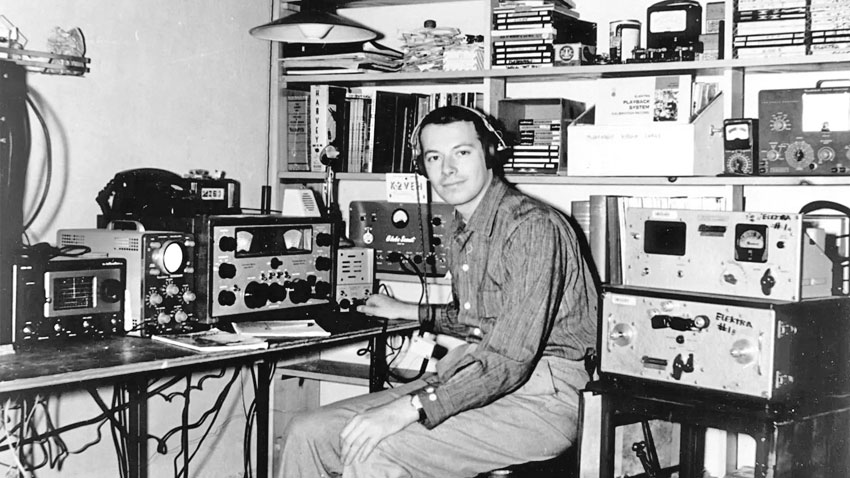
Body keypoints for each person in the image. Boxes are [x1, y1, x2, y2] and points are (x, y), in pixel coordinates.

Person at [279, 105, 599, 478]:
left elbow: (509, 360)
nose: (447, 170)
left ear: (490, 154)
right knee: (309, 432)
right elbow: (479, 317)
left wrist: (406, 408)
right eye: (434, 157)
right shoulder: (463, 225)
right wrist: (407, 310)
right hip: (476, 374)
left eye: (461, 153)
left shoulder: (532, 227)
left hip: (544, 398)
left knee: (375, 451)